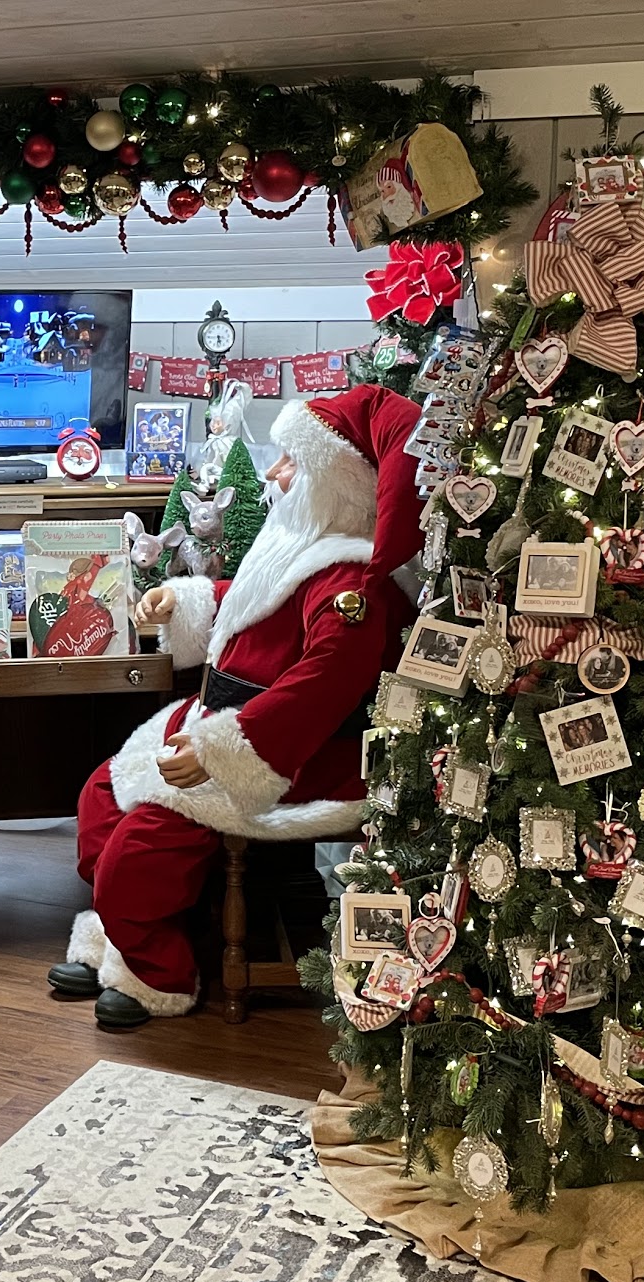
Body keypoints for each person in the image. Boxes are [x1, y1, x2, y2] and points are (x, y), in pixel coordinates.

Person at [49, 384, 423, 1027]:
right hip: (221, 721)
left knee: (140, 850)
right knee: (100, 796)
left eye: (292, 462)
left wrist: (225, 750)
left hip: (292, 752)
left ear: (339, 483)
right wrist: (186, 599)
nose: (274, 474)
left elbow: (325, 683)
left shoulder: (353, 582)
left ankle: (158, 973)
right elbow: (257, 601)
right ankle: (120, 934)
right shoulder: (304, 546)